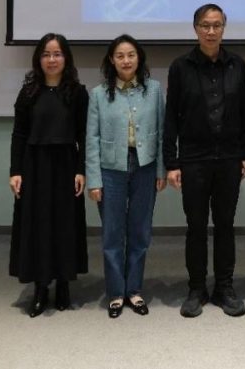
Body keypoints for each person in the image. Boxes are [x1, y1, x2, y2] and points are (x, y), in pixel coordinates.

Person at [163, 3, 245, 318]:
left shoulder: (237, 65)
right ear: (195, 28)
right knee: (196, 226)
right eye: (205, 25)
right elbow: (171, 117)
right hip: (193, 160)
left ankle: (224, 287)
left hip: (229, 159)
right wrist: (172, 162)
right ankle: (197, 288)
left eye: (216, 25)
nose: (211, 31)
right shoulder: (180, 66)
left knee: (225, 225)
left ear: (224, 28)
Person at [85, 35, 166, 319]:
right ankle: (116, 293)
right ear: (112, 60)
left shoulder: (154, 90)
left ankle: (134, 290)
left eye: (131, 55)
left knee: (140, 231)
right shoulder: (98, 94)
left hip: (146, 166)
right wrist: (94, 179)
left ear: (139, 58)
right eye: (120, 56)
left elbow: (162, 132)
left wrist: (160, 170)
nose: (126, 60)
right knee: (113, 233)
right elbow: (92, 139)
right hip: (110, 169)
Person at [8, 33, 89, 317]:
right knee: (38, 225)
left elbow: (84, 135)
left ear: (66, 58)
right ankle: (41, 287)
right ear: (38, 59)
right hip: (34, 166)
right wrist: (15, 171)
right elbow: (19, 134)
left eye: (57, 54)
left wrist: (81, 170)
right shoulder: (28, 92)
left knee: (65, 225)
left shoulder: (77, 93)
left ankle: (64, 283)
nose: (51, 59)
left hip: (66, 165)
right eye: (46, 54)